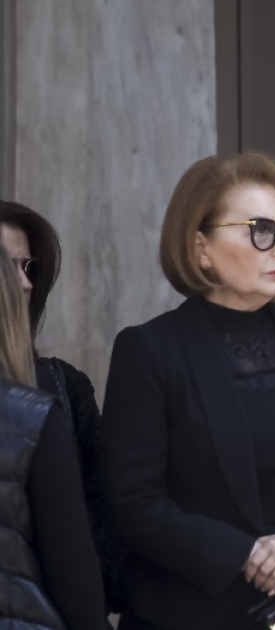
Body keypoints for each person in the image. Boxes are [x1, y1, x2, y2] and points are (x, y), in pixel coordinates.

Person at [100, 152, 275, 630]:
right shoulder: (149, 350)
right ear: (200, 246)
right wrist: (249, 556)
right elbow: (132, 503)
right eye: (261, 230)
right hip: (190, 614)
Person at [0, 201, 118, 611]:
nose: (25, 283)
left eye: (30, 268)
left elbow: (101, 519)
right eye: (8, 268)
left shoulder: (63, 386)